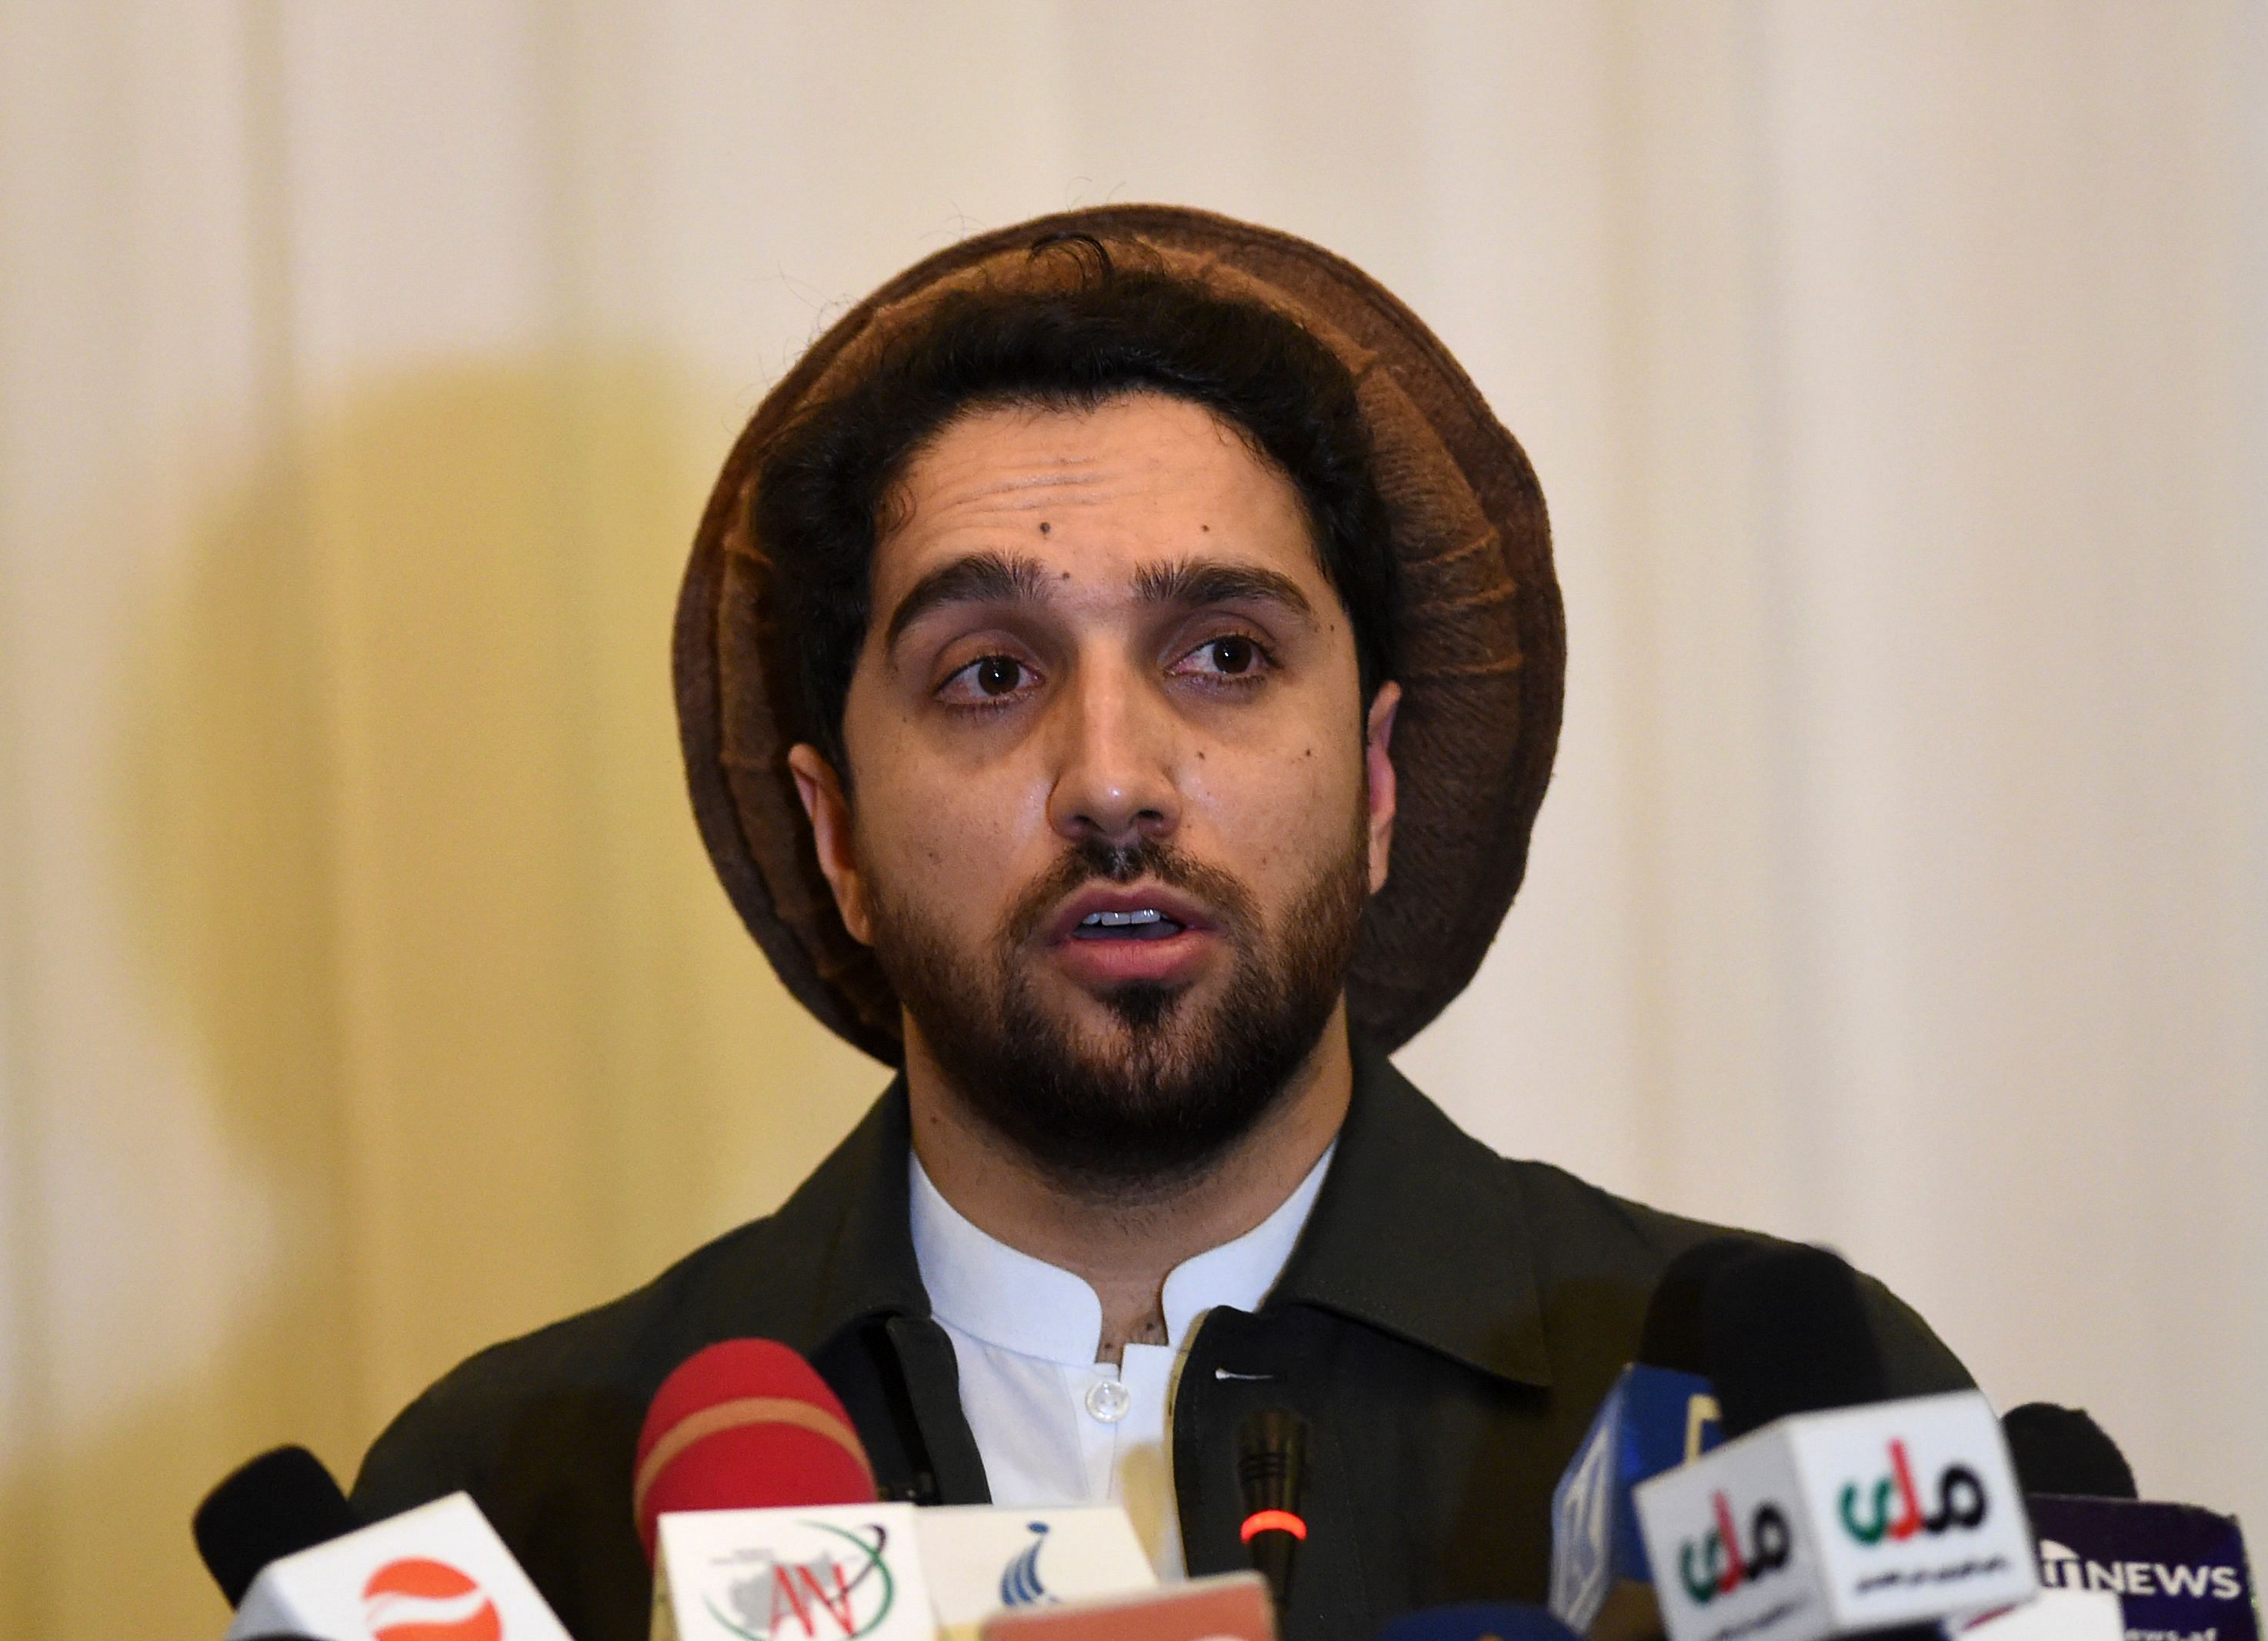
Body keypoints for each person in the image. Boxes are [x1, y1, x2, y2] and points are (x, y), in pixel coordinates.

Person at [350, 208, 1969, 1641]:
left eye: (1224, 657)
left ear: (1379, 783)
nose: (1113, 779)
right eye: (990, 672)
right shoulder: (506, 1505)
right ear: (835, 831)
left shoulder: (1770, 1414)